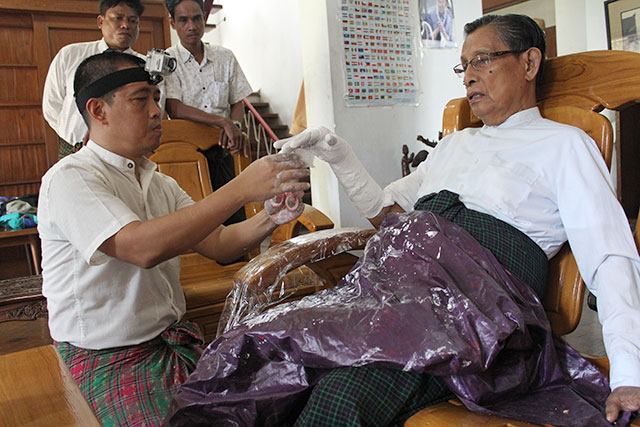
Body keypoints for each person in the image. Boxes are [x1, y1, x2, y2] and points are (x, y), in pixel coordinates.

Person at [274, 14, 640, 425]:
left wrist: (628, 373)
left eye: (482, 60)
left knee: (343, 393)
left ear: (529, 64)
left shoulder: (564, 146)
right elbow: (389, 214)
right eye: (463, 65)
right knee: (276, 363)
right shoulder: (453, 146)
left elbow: (609, 256)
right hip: (400, 296)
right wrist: (338, 153)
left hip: (476, 317)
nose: (468, 77)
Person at [37, 50, 310, 425]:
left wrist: (269, 216)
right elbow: (140, 247)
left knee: (279, 400)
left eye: (155, 98)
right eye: (140, 100)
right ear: (98, 111)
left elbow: (220, 243)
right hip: (109, 358)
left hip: (169, 344)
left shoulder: (158, 182)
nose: (156, 111)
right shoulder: (70, 178)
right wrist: (240, 188)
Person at [42, 0, 147, 159]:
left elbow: (153, 111)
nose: (125, 25)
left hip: (125, 153)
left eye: (133, 21)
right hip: (74, 149)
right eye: (118, 18)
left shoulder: (146, 66)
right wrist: (74, 136)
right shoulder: (70, 55)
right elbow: (52, 105)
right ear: (100, 21)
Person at [163, 0, 251, 155]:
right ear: (172, 23)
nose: (192, 26)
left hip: (224, 146)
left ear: (204, 18)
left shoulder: (225, 57)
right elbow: (174, 108)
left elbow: (237, 101)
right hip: (186, 150)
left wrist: (234, 124)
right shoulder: (168, 60)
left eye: (197, 18)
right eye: (183, 20)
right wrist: (223, 122)